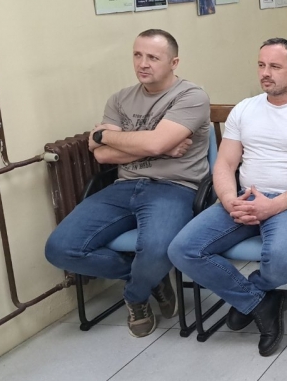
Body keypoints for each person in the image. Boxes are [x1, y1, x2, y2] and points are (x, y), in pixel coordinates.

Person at [168, 38, 287, 357]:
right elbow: (225, 164)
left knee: (283, 262)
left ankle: (254, 292)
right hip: (243, 198)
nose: (265, 73)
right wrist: (228, 198)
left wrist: (273, 206)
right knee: (182, 249)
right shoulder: (244, 109)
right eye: (261, 65)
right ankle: (261, 302)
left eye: (275, 66)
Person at [45, 29, 210, 338]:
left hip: (175, 187)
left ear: (174, 62)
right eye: (137, 55)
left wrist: (105, 135)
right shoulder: (120, 99)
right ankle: (149, 279)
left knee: (159, 249)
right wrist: (156, 146)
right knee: (60, 249)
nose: (143, 64)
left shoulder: (191, 96)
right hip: (123, 187)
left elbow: (137, 144)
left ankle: (135, 295)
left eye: (153, 57)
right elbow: (103, 155)